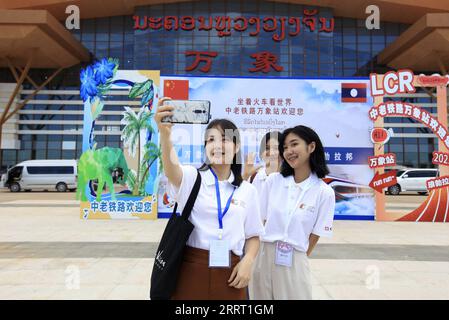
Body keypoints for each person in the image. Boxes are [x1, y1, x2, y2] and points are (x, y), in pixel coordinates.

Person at [154, 97, 264, 300]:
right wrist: (165, 133)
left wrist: (248, 261)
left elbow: (253, 235)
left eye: (224, 139)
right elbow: (171, 171)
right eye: (210, 140)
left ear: (237, 147)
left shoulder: (248, 191)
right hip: (191, 268)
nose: (217, 145)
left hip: (232, 273)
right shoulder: (192, 178)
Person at [249, 125, 336, 300]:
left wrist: (295, 256)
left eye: (294, 144)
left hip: (294, 259)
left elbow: (315, 235)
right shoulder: (274, 181)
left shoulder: (324, 192)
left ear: (311, 147)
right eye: (285, 147)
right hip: (263, 255)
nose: (289, 151)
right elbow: (259, 221)